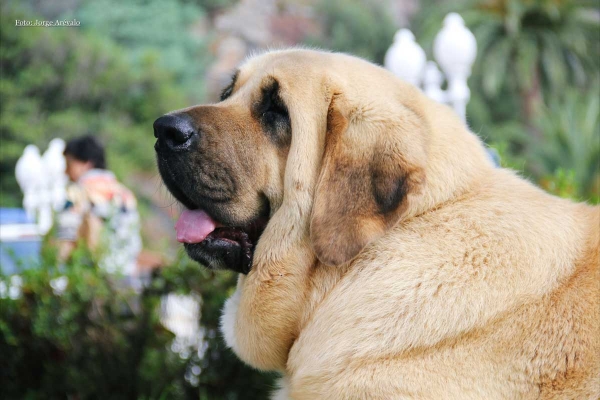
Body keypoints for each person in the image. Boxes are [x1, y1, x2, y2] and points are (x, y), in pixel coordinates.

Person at [56, 135, 142, 282]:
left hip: (91, 280)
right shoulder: (125, 194)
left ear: (86, 163)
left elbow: (66, 243)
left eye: (68, 164)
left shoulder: (76, 194)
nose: (65, 172)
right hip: (127, 278)